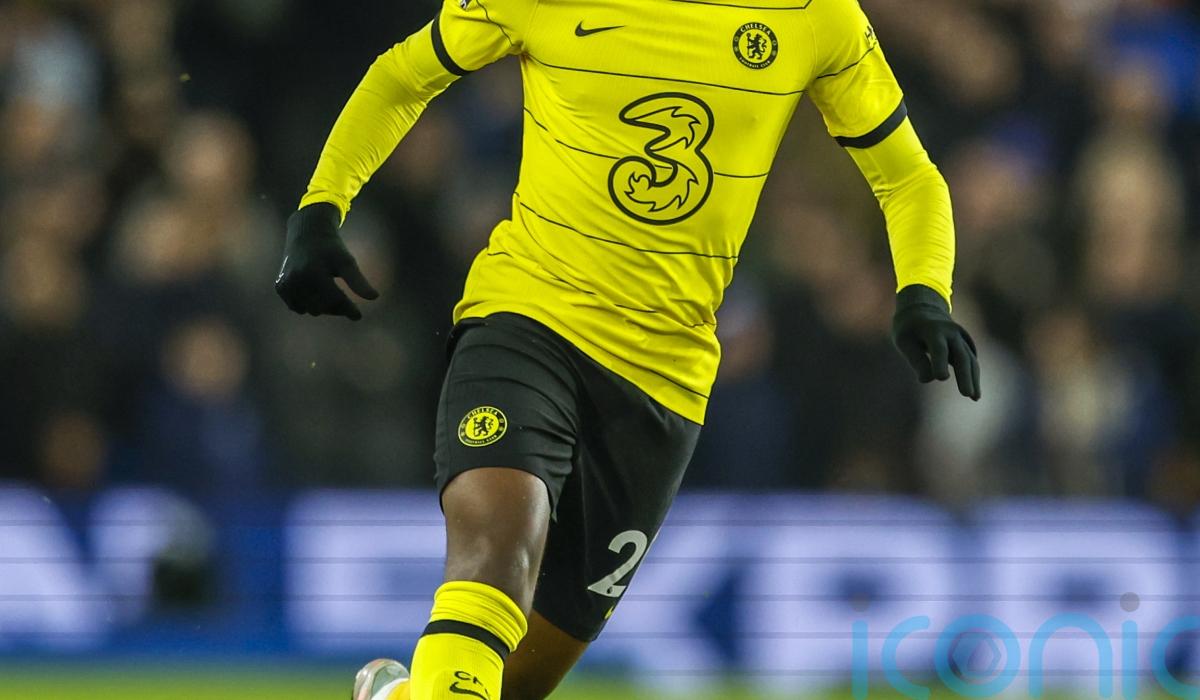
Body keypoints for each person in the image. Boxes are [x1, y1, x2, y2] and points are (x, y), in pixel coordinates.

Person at [274, 0, 981, 698]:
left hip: (662, 383)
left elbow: (908, 175)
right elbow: (404, 74)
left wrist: (924, 292)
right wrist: (322, 206)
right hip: (528, 320)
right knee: (496, 553)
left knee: (518, 681)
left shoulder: (815, 15)